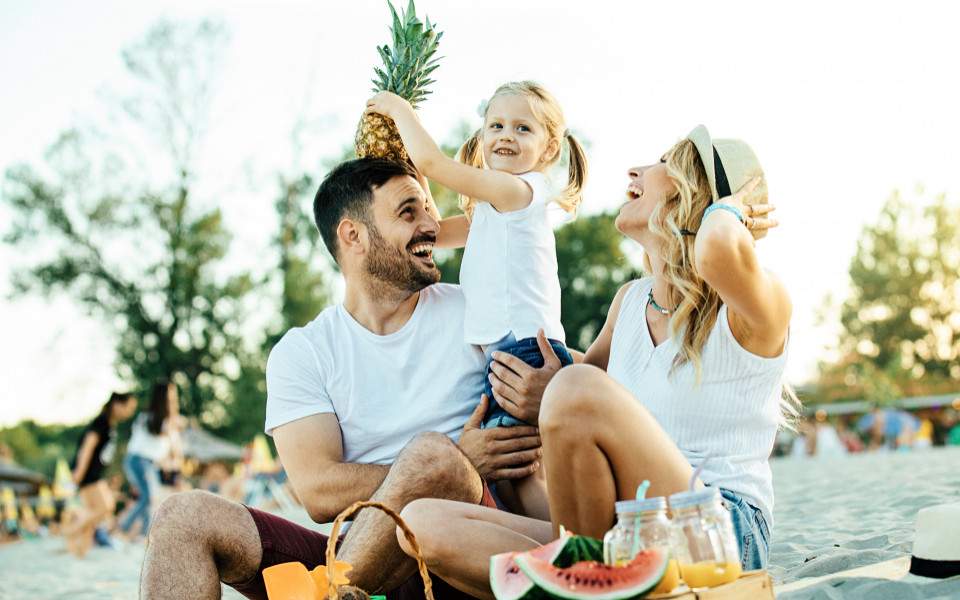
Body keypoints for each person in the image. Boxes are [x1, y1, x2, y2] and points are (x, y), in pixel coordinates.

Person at [393, 126, 794, 597]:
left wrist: (729, 210)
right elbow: (586, 400)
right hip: (623, 529)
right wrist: (533, 384)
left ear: (697, 197)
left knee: (572, 390)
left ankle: (577, 579)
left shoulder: (757, 306)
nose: (636, 170)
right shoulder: (630, 300)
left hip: (718, 529)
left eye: (663, 162)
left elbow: (718, 251)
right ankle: (588, 579)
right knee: (418, 523)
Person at [140, 158, 548, 600]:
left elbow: (562, 365)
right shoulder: (304, 352)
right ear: (353, 235)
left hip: (459, 553)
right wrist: (457, 458)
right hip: (362, 557)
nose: (433, 224)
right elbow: (317, 490)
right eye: (409, 212)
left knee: (436, 461)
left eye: (428, 210)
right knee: (181, 518)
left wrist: (550, 387)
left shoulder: (476, 311)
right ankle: (339, 590)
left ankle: (334, 592)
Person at [365, 81, 589, 519]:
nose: (506, 135)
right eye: (496, 125)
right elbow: (435, 229)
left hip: (523, 353)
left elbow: (433, 160)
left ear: (549, 149)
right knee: (514, 478)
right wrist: (414, 183)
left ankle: (579, 546)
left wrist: (399, 111)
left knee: (521, 475)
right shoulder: (494, 211)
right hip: (510, 354)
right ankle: (559, 548)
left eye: (523, 128)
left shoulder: (519, 193)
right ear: (483, 135)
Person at [63, 391, 138, 556]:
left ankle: (80, 551)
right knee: (106, 506)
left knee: (93, 511)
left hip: (93, 473)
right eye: (129, 407)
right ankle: (70, 531)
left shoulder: (110, 423)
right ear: (117, 404)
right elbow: (87, 445)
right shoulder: (102, 421)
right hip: (89, 474)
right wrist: (79, 471)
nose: (130, 412)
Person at [116, 381, 182, 541]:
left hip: (150, 463)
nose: (174, 396)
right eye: (170, 392)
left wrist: (171, 462)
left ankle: (144, 536)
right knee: (148, 497)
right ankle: (121, 529)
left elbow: (171, 446)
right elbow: (167, 439)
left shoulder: (164, 419)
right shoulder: (151, 418)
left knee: (151, 499)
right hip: (139, 460)